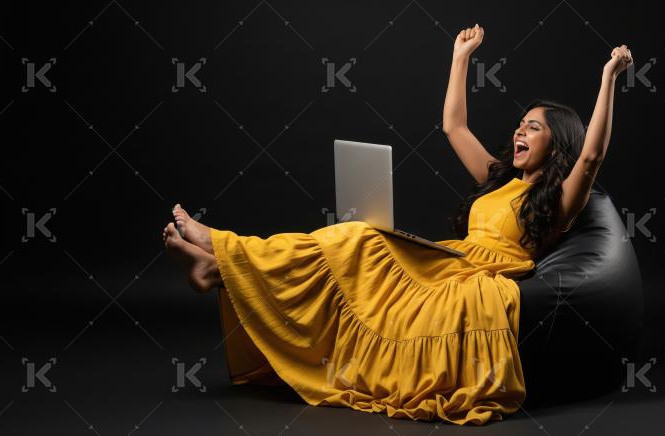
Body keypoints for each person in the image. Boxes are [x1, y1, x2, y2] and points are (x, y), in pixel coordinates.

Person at [161, 24, 632, 426]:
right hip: (450, 259)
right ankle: (221, 264)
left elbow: (592, 155)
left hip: (480, 276)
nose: (519, 132)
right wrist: (459, 57)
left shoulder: (557, 200)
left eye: (533, 127)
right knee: (354, 239)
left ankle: (221, 256)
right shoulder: (498, 179)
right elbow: (453, 127)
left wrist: (608, 78)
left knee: (360, 238)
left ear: (557, 143)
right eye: (520, 124)